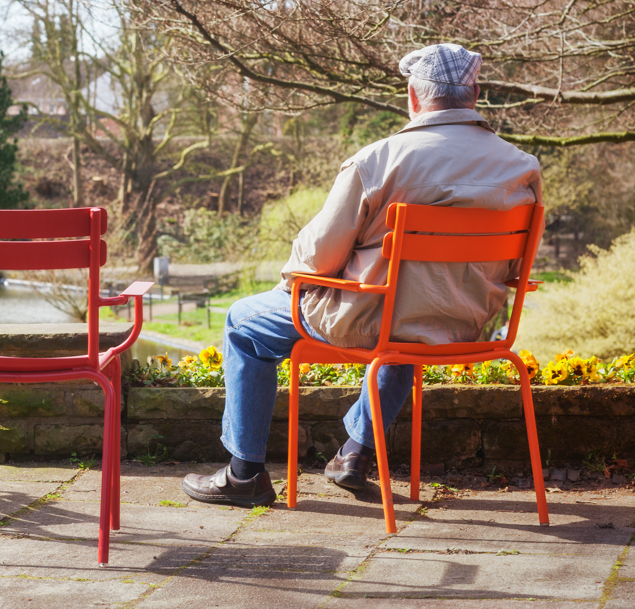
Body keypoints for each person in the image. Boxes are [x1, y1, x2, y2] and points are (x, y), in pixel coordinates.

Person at [181, 43, 542, 507]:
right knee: (407, 322)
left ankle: (244, 473)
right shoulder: (522, 166)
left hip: (373, 320)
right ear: (475, 93)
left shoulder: (378, 161)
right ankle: (355, 452)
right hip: (466, 324)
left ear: (413, 96)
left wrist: (291, 281)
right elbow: (516, 267)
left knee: (242, 321)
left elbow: (318, 258)